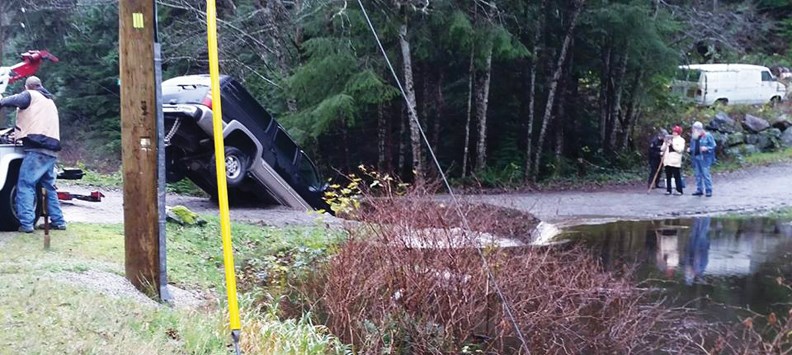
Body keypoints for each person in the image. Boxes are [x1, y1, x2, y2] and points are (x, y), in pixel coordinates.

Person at [0, 76, 66, 233]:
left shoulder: (30, 95)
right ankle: (59, 221)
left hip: (37, 148)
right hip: (51, 149)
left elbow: (10, 101)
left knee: (25, 185)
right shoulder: (49, 101)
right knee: (48, 186)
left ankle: (27, 224)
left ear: (27, 87)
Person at [689, 121, 717, 197]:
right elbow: (692, 146)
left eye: (694, 129)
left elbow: (713, 145)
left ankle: (708, 190)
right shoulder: (694, 137)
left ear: (699, 129)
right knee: (698, 174)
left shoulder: (707, 135)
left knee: (706, 174)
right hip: (696, 157)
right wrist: (690, 149)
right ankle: (699, 189)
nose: (693, 130)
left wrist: (707, 148)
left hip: (705, 158)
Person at [660, 125, 685, 195]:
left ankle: (679, 190)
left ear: (678, 133)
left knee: (677, 176)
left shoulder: (681, 140)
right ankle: (668, 190)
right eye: (673, 131)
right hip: (667, 161)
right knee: (668, 176)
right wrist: (665, 143)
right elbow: (662, 149)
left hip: (675, 161)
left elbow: (680, 150)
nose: (674, 133)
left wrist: (672, 144)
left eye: (675, 132)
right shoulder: (669, 138)